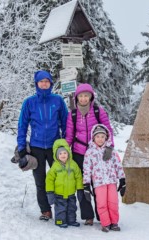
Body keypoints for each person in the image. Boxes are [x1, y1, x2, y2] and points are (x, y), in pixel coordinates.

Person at [17, 70, 68, 221]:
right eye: (41, 81)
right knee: (40, 180)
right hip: (36, 147)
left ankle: (61, 208)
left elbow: (65, 123)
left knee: (59, 178)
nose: (44, 84)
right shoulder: (29, 102)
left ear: (51, 84)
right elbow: (22, 125)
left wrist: (65, 142)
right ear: (37, 84)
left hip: (55, 147)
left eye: (47, 81)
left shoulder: (58, 100)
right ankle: (45, 210)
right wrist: (21, 146)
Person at [65, 83, 114, 225]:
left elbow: (108, 129)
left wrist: (109, 147)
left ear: (91, 97)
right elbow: (69, 135)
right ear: (77, 98)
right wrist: (63, 150)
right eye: (81, 96)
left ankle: (102, 214)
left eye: (86, 96)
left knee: (98, 184)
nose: (84, 98)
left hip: (97, 153)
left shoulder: (99, 111)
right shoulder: (72, 114)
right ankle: (88, 216)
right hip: (79, 153)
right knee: (83, 185)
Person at [83, 124, 126, 232]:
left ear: (106, 137)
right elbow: (87, 169)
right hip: (99, 183)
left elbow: (118, 166)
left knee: (113, 202)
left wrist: (122, 180)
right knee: (101, 203)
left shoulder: (111, 151)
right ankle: (105, 223)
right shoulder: (89, 153)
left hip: (111, 181)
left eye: (102, 136)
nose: (100, 139)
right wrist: (86, 185)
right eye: (98, 137)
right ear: (93, 138)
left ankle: (114, 222)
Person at [46, 139, 83, 228]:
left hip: (71, 193)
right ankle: (59, 221)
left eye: (65, 153)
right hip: (59, 194)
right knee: (60, 209)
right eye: (60, 153)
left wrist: (80, 189)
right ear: (56, 155)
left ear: (68, 153)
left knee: (72, 208)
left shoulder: (73, 164)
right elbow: (49, 180)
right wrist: (50, 192)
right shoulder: (55, 166)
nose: (63, 155)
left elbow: (78, 177)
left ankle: (71, 220)